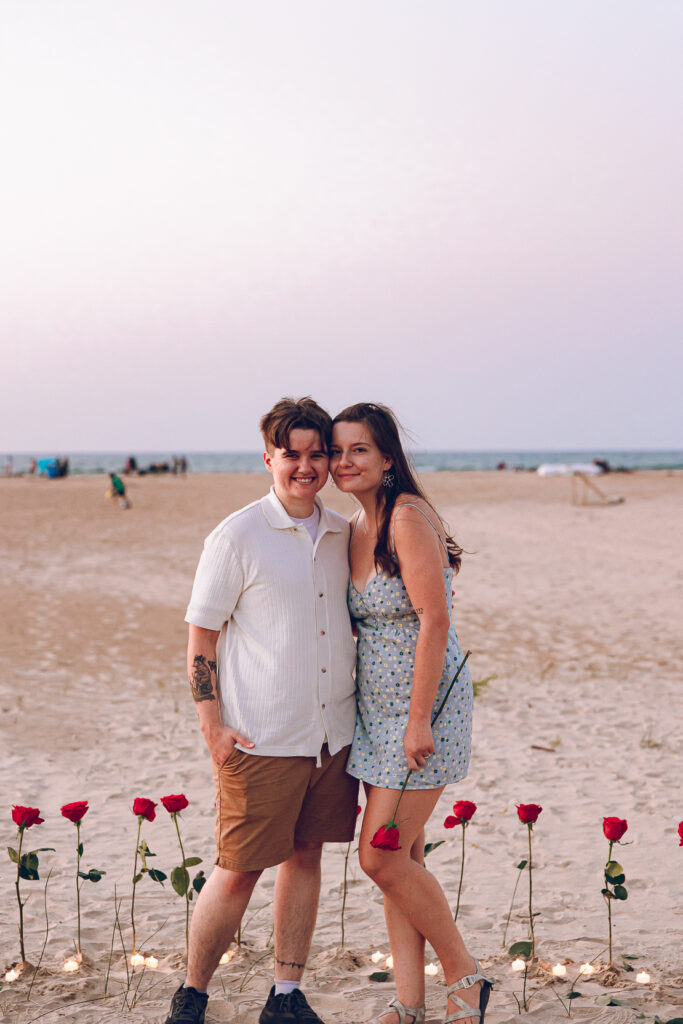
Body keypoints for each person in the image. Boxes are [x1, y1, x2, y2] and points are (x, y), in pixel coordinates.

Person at [164, 397, 359, 1024]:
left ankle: (284, 996)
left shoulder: (341, 533)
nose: (305, 467)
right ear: (269, 457)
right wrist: (211, 727)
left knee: (306, 858)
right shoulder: (237, 535)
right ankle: (192, 995)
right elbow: (202, 636)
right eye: (292, 455)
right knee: (238, 870)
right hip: (259, 738)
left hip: (331, 735)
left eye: (316, 454)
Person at [329, 403, 494, 1024]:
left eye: (359, 450)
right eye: (337, 451)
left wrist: (418, 718)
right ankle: (409, 1004)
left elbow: (435, 619)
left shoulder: (405, 517)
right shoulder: (353, 526)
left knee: (380, 856)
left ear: (388, 458)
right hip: (375, 714)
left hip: (422, 713)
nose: (345, 462)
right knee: (403, 863)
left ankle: (465, 977)